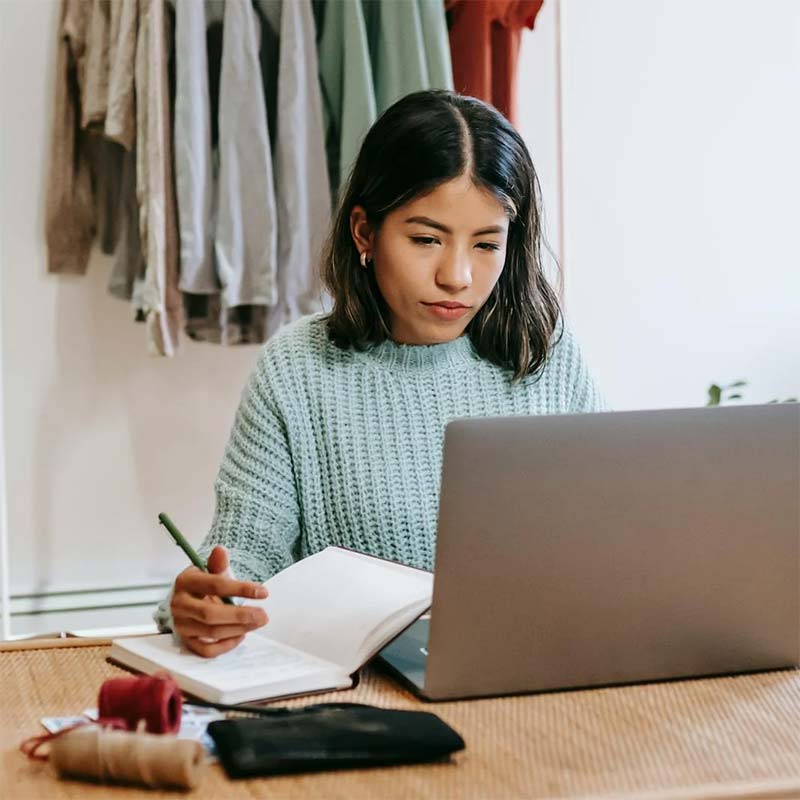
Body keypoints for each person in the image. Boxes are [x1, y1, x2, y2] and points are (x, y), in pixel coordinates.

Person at [157, 89, 607, 657]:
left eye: (487, 243)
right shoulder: (296, 370)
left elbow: (610, 539)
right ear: (365, 233)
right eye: (425, 239)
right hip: (367, 698)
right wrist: (206, 607)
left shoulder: (546, 352)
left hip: (539, 671)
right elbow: (242, 562)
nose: (458, 276)